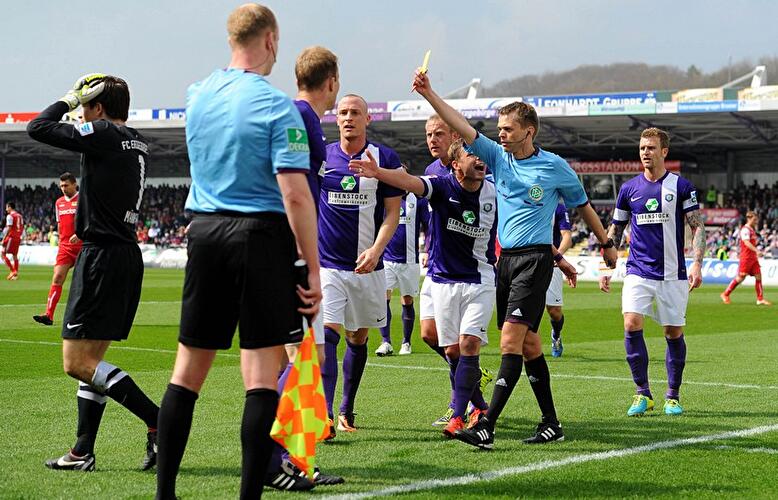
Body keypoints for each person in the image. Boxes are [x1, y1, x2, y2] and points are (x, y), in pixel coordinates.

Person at [153, 5, 321, 499]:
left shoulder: (196, 95)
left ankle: (165, 494)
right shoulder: (276, 107)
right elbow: (295, 194)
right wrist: (311, 268)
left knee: (187, 371)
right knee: (260, 376)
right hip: (259, 237)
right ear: (270, 40)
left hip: (204, 233)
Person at [410, 70, 617, 449]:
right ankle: (551, 423)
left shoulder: (554, 167)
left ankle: (486, 423)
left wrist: (605, 242)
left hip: (536, 261)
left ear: (529, 131)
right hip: (504, 264)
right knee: (529, 346)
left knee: (509, 341)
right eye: (500, 128)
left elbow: (582, 204)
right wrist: (429, 95)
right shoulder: (497, 158)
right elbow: (460, 126)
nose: (501, 134)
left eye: (508, 128)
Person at [27, 74, 159, 471]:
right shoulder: (136, 140)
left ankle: (159, 421)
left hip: (101, 257)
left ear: (98, 108)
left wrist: (68, 99)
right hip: (123, 255)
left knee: (76, 363)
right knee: (92, 363)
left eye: (87, 105)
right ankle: (83, 451)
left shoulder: (101, 132)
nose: (82, 113)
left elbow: (38, 127)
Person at [351, 139, 496, 438]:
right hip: (443, 280)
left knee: (468, 344)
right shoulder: (442, 187)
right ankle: (479, 405)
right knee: (451, 350)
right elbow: (409, 181)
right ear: (456, 164)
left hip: (480, 279)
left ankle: (458, 416)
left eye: (483, 156)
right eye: (473, 156)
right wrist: (378, 173)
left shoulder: (496, 191)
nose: (481, 160)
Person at [265, 45, 344, 490]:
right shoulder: (304, 119)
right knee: (301, 360)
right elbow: (295, 194)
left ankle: (279, 456)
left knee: (278, 359)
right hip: (289, 253)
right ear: (331, 81)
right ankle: (288, 460)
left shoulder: (286, 112)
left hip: (269, 249)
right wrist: (305, 260)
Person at [599, 127, 705, 417]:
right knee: (631, 323)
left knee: (673, 332)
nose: (645, 152)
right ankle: (642, 392)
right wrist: (606, 265)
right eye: (642, 147)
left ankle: (672, 395)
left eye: (651, 148)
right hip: (638, 270)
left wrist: (697, 262)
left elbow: (696, 226)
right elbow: (616, 229)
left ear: (664, 152)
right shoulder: (628, 189)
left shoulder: (682, 187)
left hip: (673, 273)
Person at [318, 94, 402, 433]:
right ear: (335, 119)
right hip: (328, 266)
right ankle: (322, 415)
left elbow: (393, 213)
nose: (348, 118)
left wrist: (377, 250)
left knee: (358, 338)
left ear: (368, 119)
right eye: (343, 113)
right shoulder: (321, 156)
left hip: (368, 268)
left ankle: (346, 409)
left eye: (355, 113)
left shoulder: (385, 158)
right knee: (327, 336)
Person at [375, 165, 429, 357]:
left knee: (407, 300)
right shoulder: (385, 199)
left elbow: (428, 226)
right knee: (383, 299)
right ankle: (385, 341)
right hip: (387, 259)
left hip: (410, 260)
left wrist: (426, 250)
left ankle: (406, 342)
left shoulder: (418, 200)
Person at [33, 172, 83, 326]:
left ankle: (88, 316)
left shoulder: (83, 200)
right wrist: (62, 240)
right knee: (57, 278)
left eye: (66, 185)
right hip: (65, 247)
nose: (63, 188)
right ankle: (49, 315)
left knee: (85, 283)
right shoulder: (59, 202)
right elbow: (60, 224)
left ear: (75, 184)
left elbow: (91, 220)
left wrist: (80, 234)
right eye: (61, 186)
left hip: (83, 246)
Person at [720, 211, 771, 305]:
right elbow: (746, 242)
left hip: (753, 258)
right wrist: (757, 250)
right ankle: (725, 294)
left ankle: (760, 299)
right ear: (749, 218)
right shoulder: (745, 230)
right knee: (740, 278)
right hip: (746, 257)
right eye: (754, 219)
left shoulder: (751, 229)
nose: (756, 221)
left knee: (758, 276)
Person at [546, 202, 573, 357]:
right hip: (527, 261)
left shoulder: (557, 206)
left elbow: (567, 237)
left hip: (552, 264)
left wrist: (557, 256)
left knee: (554, 311)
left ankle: (556, 334)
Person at [2, 202, 23, 280]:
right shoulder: (20, 216)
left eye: (7, 207)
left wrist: (4, 238)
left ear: (10, 207)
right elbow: (22, 226)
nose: (6, 209)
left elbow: (9, 228)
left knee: (2, 254)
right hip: (18, 237)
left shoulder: (10, 216)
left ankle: (13, 270)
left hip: (11, 237)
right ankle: (15, 276)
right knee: (15, 255)